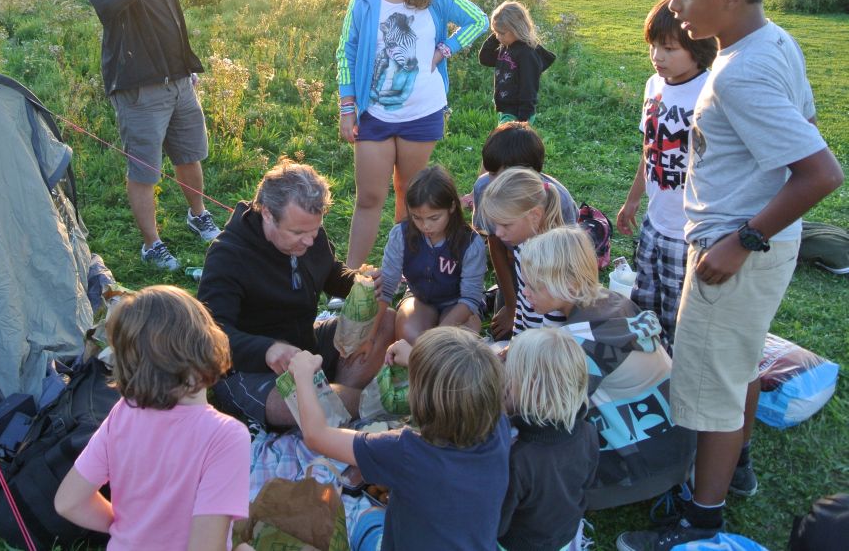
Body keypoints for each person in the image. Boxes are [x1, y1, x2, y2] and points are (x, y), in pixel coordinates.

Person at [616, 0, 843, 551]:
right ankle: (733, 466)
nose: (675, 5)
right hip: (764, 239)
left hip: (735, 247)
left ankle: (699, 518)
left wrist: (740, 241)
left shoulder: (739, 72)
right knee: (738, 364)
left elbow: (821, 171)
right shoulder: (773, 43)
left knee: (709, 383)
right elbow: (805, 128)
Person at [198, 159, 395, 429]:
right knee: (297, 406)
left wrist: (358, 282)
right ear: (267, 213)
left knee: (385, 319)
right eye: (298, 233)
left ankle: (336, 407)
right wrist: (267, 350)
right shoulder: (228, 255)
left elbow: (328, 272)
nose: (309, 241)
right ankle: (361, 406)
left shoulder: (308, 230)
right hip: (252, 369)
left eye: (315, 230)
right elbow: (209, 333)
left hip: (306, 345)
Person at [54, 286, 253, 551]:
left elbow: (68, 502)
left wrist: (128, 530)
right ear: (209, 345)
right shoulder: (226, 436)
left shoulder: (124, 412)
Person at [336, 0, 488, 269]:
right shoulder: (364, 0)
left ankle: (402, 272)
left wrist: (446, 49)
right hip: (373, 114)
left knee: (409, 198)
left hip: (423, 112)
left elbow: (478, 19)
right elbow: (346, 52)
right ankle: (348, 276)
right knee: (370, 197)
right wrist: (347, 106)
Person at [86, 0, 221, 272]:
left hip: (177, 81)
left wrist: (185, 67)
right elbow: (106, 0)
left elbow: (169, 22)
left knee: (190, 154)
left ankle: (197, 214)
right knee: (144, 169)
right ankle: (152, 244)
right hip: (139, 89)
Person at [287, 327, 510, 551]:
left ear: (420, 401)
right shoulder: (498, 426)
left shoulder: (407, 451)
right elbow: (461, 391)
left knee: (367, 519)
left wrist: (303, 377)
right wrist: (417, 358)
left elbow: (317, 435)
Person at [520, 227, 695, 511]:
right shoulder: (616, 302)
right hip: (679, 448)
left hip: (641, 470)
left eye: (534, 286)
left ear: (571, 285)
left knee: (532, 448)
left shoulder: (577, 343)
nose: (526, 292)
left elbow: (545, 417)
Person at [615, 0, 717, 343]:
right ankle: (649, 369)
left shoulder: (710, 91)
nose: (658, 57)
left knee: (679, 315)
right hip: (655, 222)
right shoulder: (654, 86)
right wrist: (632, 201)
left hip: (688, 230)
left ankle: (674, 376)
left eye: (670, 49)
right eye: (654, 46)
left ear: (699, 48)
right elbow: (650, 150)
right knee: (644, 301)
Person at [498, 328, 599, 551]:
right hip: (566, 534)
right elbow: (586, 483)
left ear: (529, 387)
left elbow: (497, 526)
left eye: (509, 374)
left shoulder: (517, 457)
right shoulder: (588, 433)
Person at [375, 165, 486, 343]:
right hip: (420, 298)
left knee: (454, 343)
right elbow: (387, 286)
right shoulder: (401, 235)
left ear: (451, 207)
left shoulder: (471, 243)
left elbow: (470, 298)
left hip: (458, 303)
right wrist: (370, 334)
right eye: (417, 218)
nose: (425, 226)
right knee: (410, 335)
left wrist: (437, 335)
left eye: (434, 218)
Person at [478, 167, 568, 337]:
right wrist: (516, 339)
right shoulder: (523, 246)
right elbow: (522, 300)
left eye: (506, 225)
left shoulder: (551, 260)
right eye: (496, 224)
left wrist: (526, 350)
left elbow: (554, 324)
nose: (498, 233)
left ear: (534, 215)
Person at [470, 121, 577, 234]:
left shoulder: (558, 201)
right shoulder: (483, 187)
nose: (496, 183)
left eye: (506, 178)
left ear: (530, 174)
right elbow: (493, 237)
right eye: (492, 173)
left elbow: (567, 247)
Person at [478, 0, 556, 124]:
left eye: (501, 33)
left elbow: (529, 87)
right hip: (506, 110)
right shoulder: (505, 46)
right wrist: (496, 35)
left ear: (516, 30)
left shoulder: (527, 54)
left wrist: (522, 120)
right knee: (506, 142)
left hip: (518, 114)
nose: (497, 36)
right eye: (495, 32)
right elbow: (485, 59)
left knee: (506, 142)